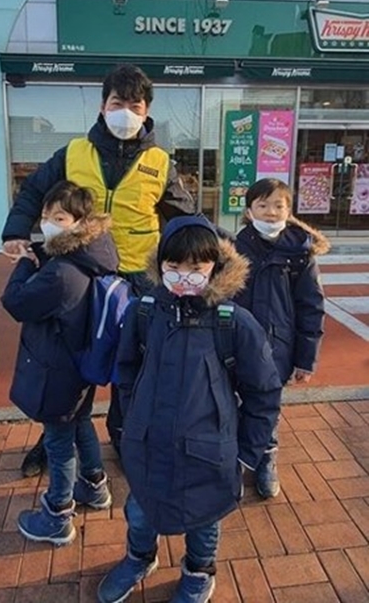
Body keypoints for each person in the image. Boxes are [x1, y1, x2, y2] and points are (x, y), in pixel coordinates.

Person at [1, 63, 195, 476]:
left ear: (146, 111)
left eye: (135, 105)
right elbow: (33, 191)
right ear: (103, 106)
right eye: (117, 102)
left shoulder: (160, 162)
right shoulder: (73, 153)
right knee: (67, 362)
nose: (126, 112)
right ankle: (56, 436)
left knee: (133, 364)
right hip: (81, 275)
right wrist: (16, 231)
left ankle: (124, 437)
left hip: (138, 279)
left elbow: (184, 218)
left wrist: (208, 257)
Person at [97, 215, 282, 603]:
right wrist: (131, 425)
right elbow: (127, 372)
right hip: (148, 444)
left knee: (204, 519)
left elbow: (263, 393)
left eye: (196, 267)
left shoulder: (234, 323)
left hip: (209, 450)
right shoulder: (143, 313)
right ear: (160, 264)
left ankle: (199, 570)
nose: (184, 276)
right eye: (174, 265)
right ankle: (139, 557)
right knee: (141, 510)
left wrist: (248, 453)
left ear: (214, 265)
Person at [1, 181, 116, 545]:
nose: (49, 223)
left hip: (57, 369)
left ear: (80, 221)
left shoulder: (63, 272)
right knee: (80, 422)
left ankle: (57, 515)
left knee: (58, 440)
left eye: (60, 217)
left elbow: (15, 302)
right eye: (46, 215)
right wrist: (39, 253)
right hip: (80, 364)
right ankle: (94, 486)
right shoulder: (93, 252)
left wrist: (24, 263)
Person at [233, 178, 329, 498]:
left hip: (279, 346)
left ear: (289, 211)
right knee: (233, 400)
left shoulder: (300, 253)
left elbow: (311, 307)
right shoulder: (232, 249)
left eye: (279, 205)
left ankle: (266, 456)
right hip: (239, 345)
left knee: (268, 405)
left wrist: (306, 359)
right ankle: (235, 458)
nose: (271, 212)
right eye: (263, 205)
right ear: (249, 211)